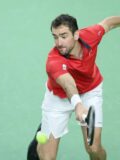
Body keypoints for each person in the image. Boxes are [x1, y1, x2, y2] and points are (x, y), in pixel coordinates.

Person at [27, 14, 120, 160]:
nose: (59, 42)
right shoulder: (53, 60)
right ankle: (39, 143)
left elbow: (109, 23)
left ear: (76, 35)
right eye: (55, 37)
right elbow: (68, 83)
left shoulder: (90, 35)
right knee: (47, 158)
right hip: (58, 98)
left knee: (93, 148)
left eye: (64, 36)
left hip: (90, 92)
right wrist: (78, 105)